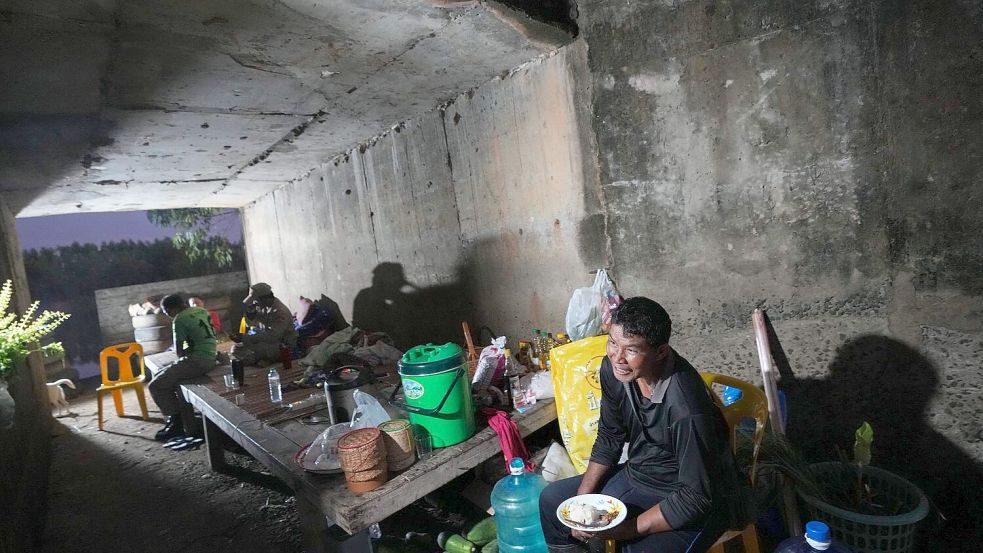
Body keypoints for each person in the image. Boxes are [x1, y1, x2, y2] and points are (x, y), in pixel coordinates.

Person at [540, 297, 746, 553]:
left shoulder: (685, 407)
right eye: (612, 343)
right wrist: (580, 503)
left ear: (661, 352)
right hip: (639, 474)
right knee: (552, 501)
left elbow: (696, 498)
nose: (618, 357)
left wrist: (625, 529)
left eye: (632, 350)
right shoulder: (615, 371)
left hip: (695, 499)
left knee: (635, 548)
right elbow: (609, 436)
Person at [150, 294, 217, 442]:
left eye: (166, 312)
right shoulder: (201, 311)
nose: (168, 315)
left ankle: (177, 423)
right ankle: (177, 418)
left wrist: (188, 349)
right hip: (212, 356)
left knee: (156, 385)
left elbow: (179, 352)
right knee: (162, 373)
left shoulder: (179, 319)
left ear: (171, 309)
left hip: (197, 361)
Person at [230, 282, 297, 366]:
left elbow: (272, 337)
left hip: (282, 344)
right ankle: (260, 359)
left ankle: (260, 359)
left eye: (256, 301)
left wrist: (245, 337)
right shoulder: (263, 307)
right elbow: (253, 325)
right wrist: (249, 314)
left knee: (254, 349)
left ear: (264, 299)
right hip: (267, 341)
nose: (254, 303)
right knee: (236, 348)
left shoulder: (280, 312)